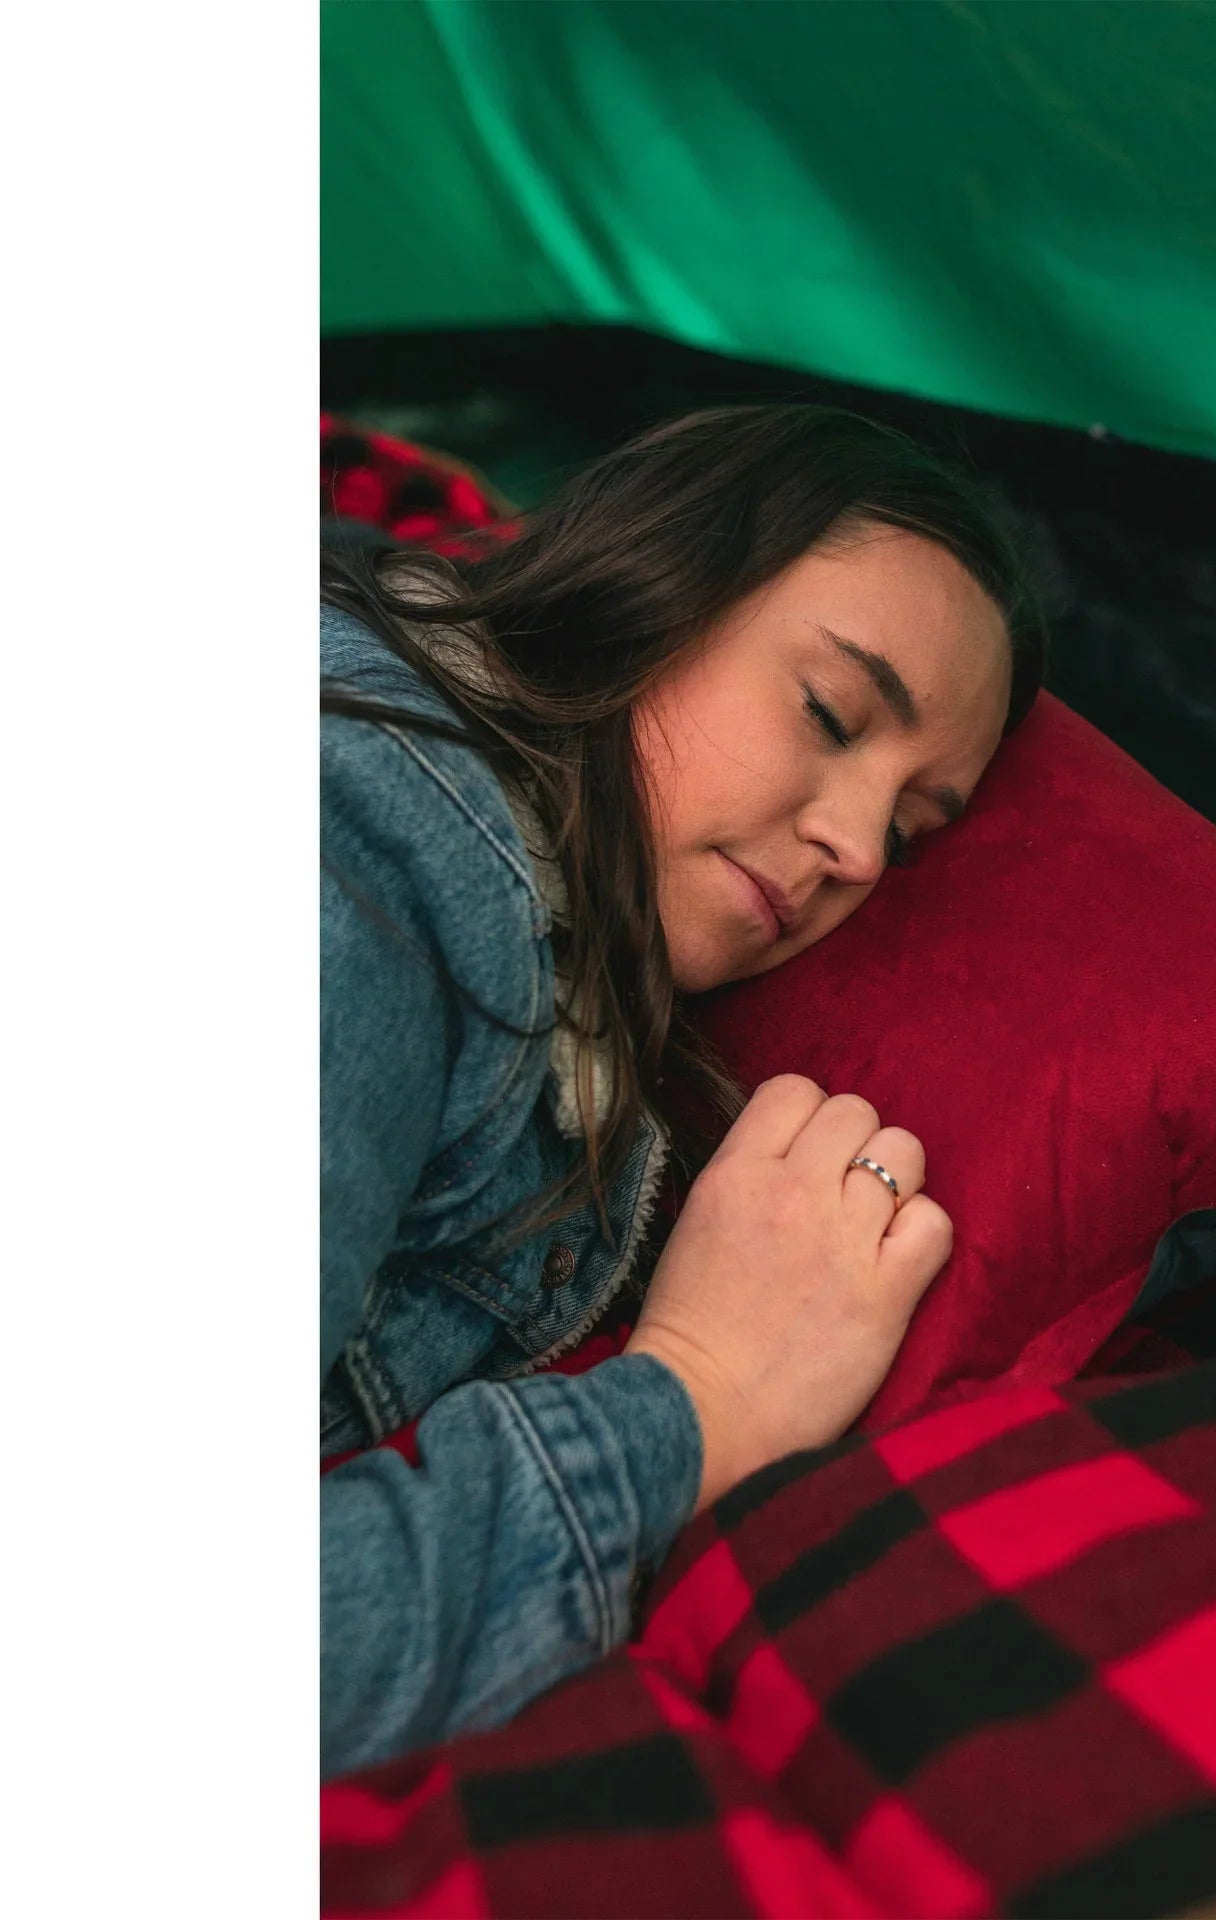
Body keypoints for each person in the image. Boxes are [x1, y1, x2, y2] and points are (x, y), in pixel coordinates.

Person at [320, 404, 1045, 1777]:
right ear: (653, 574)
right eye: (831, 714)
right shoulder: (378, 848)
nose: (853, 850)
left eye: (907, 828)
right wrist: (693, 1404)